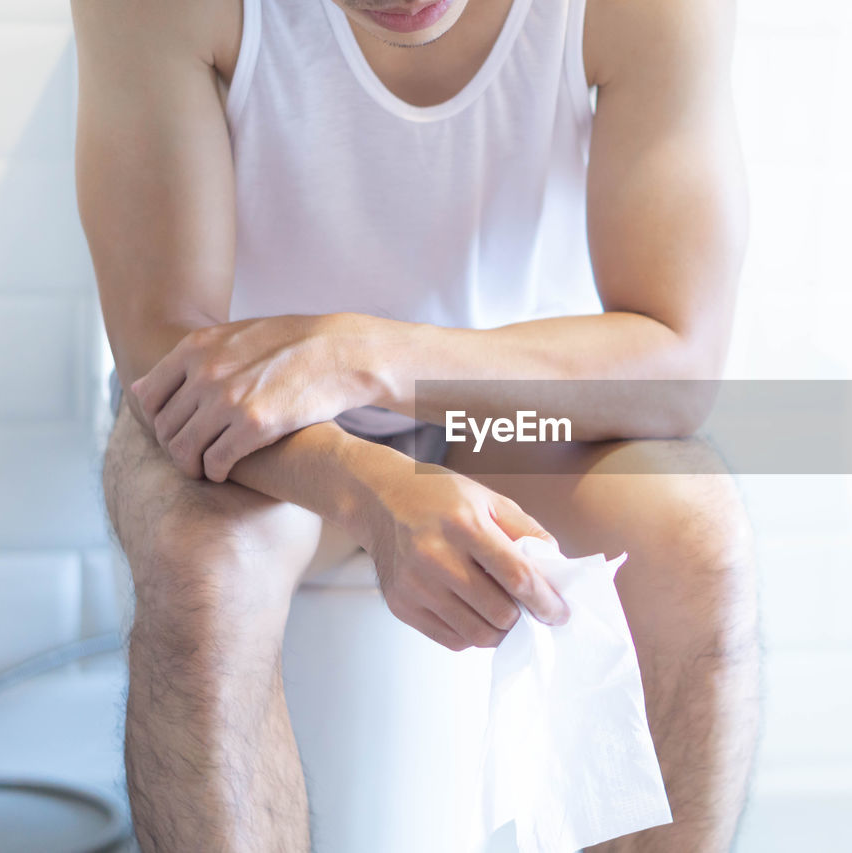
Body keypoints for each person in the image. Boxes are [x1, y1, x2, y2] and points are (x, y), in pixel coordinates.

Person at [71, 0, 757, 849]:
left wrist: (363, 353)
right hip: (259, 429)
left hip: (508, 407)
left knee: (699, 541)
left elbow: (679, 360)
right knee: (203, 574)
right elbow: (165, 355)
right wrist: (367, 487)